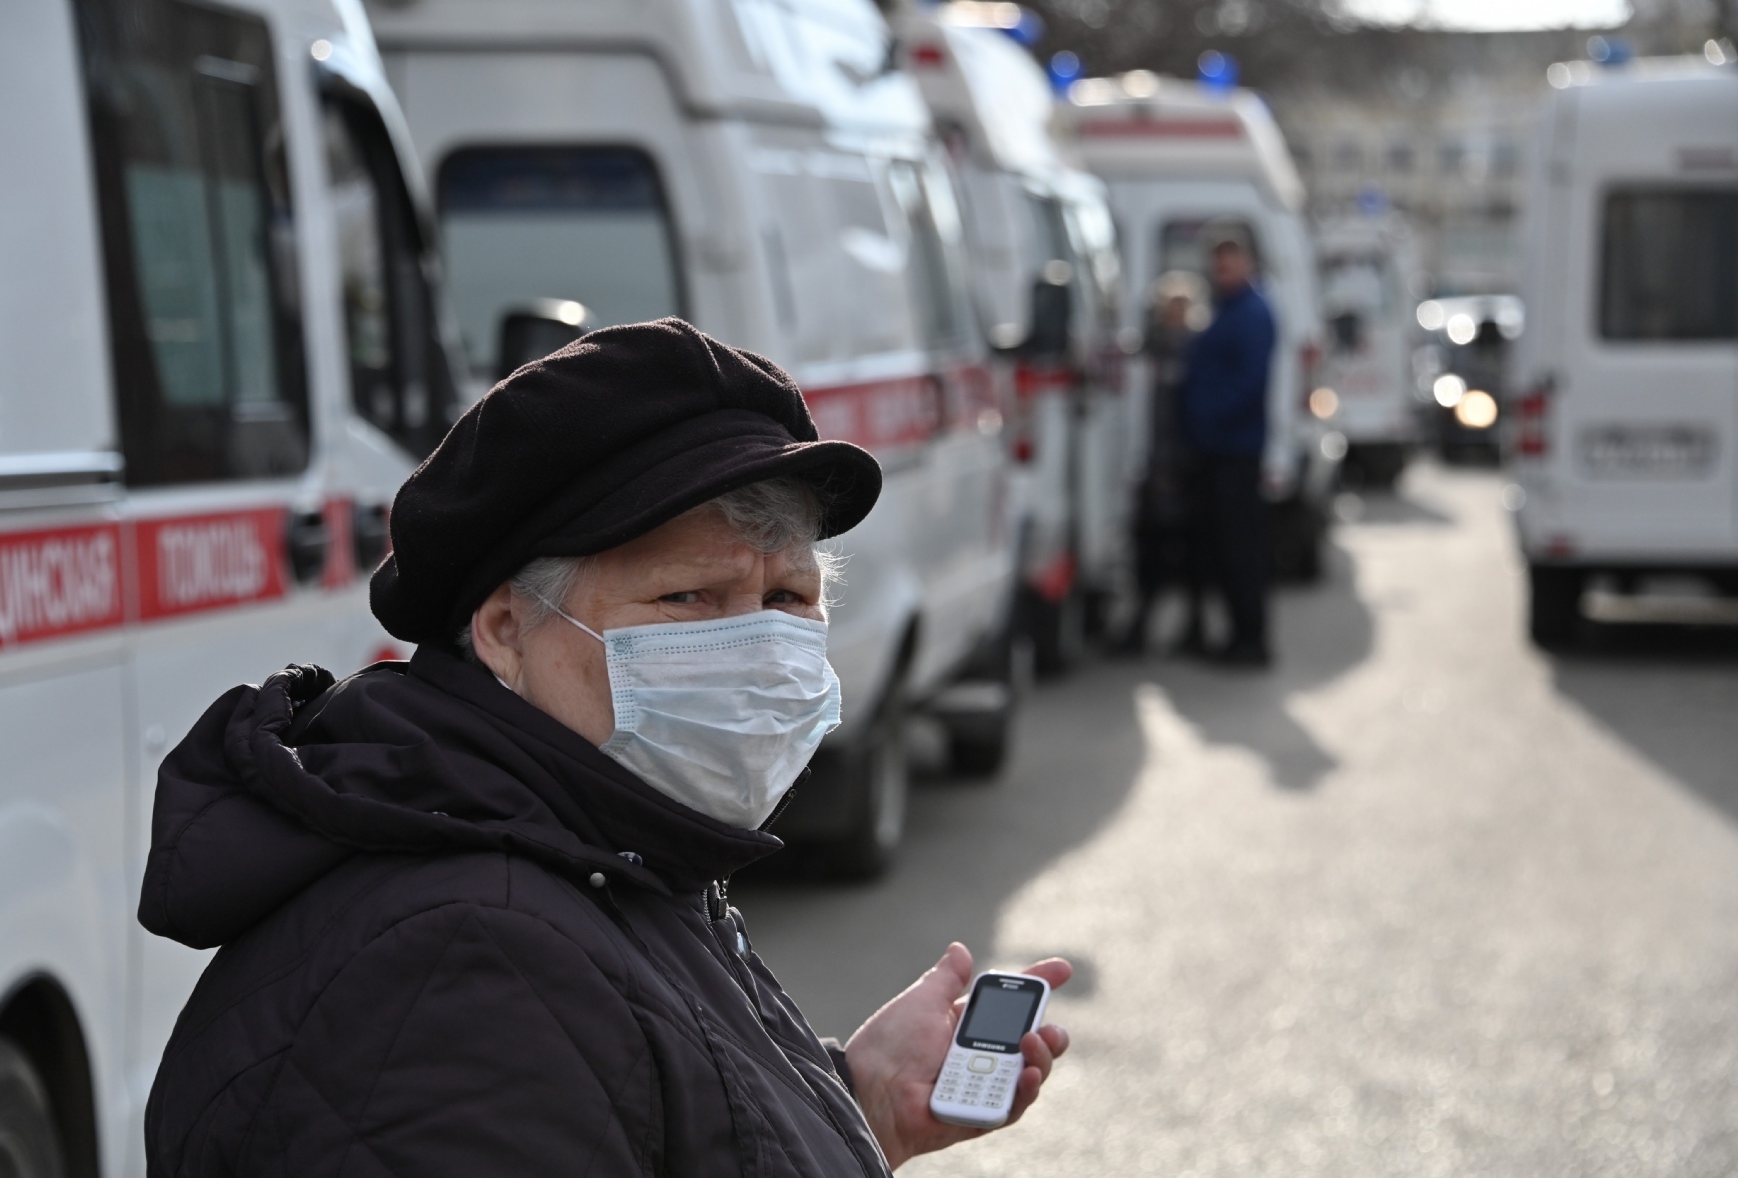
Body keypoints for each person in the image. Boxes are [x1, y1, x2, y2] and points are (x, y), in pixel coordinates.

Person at [139, 319, 1071, 1176]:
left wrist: (857, 1107)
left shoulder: (590, 856)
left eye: (788, 600)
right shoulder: (463, 969)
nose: (755, 650)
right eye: (687, 599)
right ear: (506, 628)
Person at [1179, 238, 1277, 667]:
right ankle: (1235, 634)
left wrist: (1205, 416)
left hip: (1234, 447)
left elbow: (1248, 382)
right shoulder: (1226, 309)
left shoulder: (1251, 314)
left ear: (1247, 265)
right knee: (1218, 547)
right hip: (1216, 447)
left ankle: (1250, 639)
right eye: (1218, 267)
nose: (1223, 274)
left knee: (1241, 549)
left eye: (1230, 266)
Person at [1120, 279, 1200, 655]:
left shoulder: (1192, 354)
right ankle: (1144, 626)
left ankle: (1188, 627)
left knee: (1182, 551)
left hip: (1176, 469)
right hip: (1154, 466)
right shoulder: (1151, 352)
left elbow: (1179, 418)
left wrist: (1175, 466)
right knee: (1152, 551)